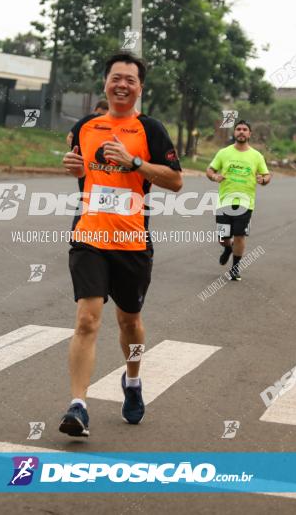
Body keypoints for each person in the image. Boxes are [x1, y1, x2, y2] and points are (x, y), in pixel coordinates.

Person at [59, 53, 182, 437]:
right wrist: (75, 168)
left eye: (130, 79)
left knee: (129, 321)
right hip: (90, 235)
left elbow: (176, 181)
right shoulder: (85, 126)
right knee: (86, 319)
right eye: (116, 77)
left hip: (131, 239)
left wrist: (135, 163)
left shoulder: (150, 129)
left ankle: (132, 380)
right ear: (106, 83)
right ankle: (78, 405)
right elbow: (82, 170)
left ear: (140, 87)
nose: (122, 84)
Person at [206, 120, 271, 281]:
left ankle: (235, 268)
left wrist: (263, 180)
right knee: (223, 238)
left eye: (245, 129)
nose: (241, 132)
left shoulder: (256, 156)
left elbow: (267, 175)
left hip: (245, 203)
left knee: (240, 235)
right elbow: (209, 170)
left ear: (250, 134)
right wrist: (215, 176)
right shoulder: (224, 153)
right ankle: (228, 249)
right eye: (238, 129)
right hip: (224, 202)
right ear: (234, 133)